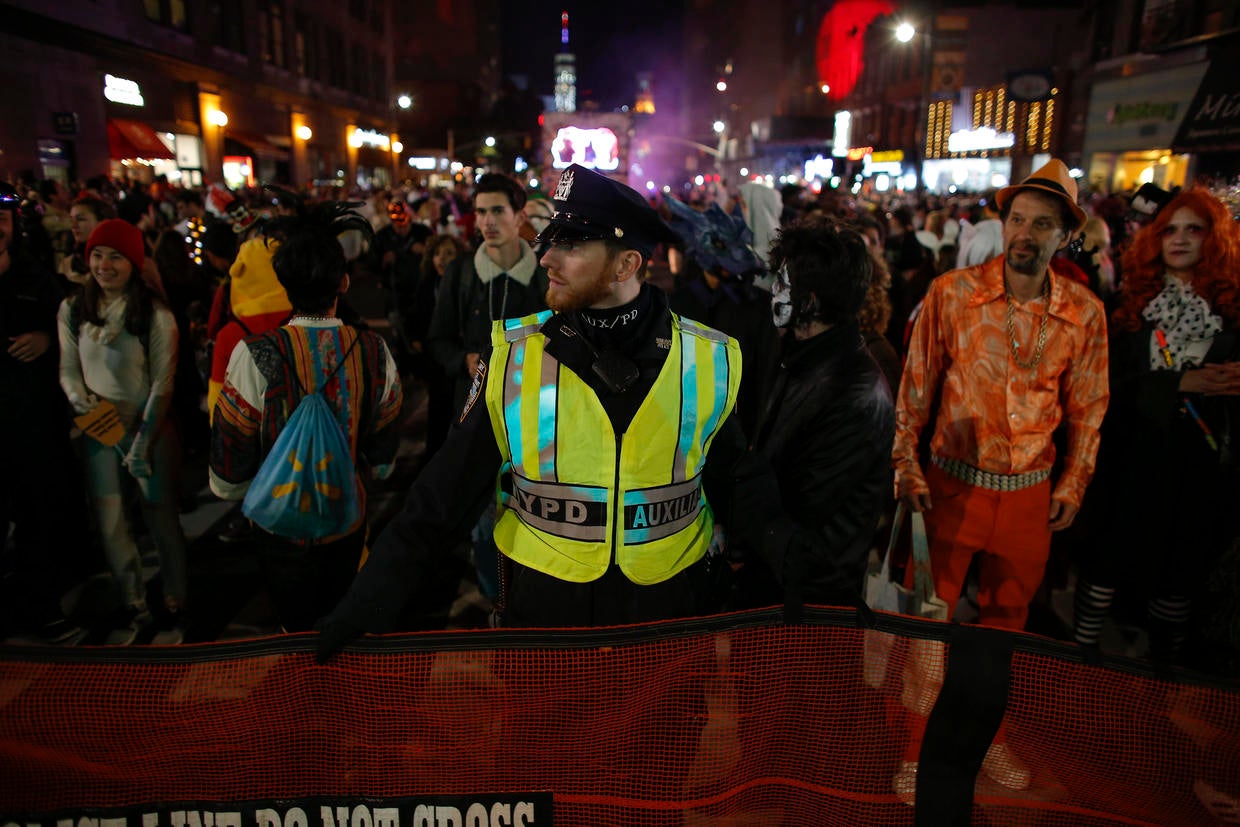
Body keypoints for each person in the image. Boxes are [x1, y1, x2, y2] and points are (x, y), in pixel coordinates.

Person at [317, 164, 748, 657]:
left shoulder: (707, 357)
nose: (547, 258)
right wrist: (361, 609)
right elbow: (439, 502)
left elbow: (741, 488)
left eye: (572, 245)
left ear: (626, 265)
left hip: (664, 645)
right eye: (551, 241)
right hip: (543, 640)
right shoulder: (514, 356)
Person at [891, 159, 1109, 794]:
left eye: (1042, 223)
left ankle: (990, 739)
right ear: (1002, 223)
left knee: (1005, 630)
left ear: (1065, 234)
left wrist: (1074, 483)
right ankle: (913, 747)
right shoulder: (951, 294)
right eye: (1017, 219)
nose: (1025, 233)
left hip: (1028, 500)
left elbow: (1090, 407)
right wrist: (906, 464)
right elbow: (916, 387)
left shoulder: (1084, 313)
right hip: (949, 487)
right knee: (924, 630)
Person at [209, 203, 403, 633]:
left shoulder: (254, 353)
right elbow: (385, 436)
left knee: (292, 622)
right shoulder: (374, 351)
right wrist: (376, 464)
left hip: (278, 522)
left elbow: (232, 441)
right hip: (348, 512)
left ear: (284, 283)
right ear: (344, 282)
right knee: (340, 612)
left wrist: (232, 486)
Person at [1074, 189, 1240, 664]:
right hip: (1131, 457)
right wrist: (1180, 382)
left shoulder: (1230, 310)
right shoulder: (1131, 304)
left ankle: (1164, 678)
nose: (1180, 239)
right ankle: (1078, 663)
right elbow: (1106, 383)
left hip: (1200, 464)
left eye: (1194, 229)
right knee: (1107, 563)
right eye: (1170, 229)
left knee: (1180, 573)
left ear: (1215, 238)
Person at [738, 216, 895, 609]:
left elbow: (801, 512)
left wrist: (738, 473)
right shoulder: (801, 356)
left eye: (781, 283)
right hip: (779, 592)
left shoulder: (854, 389)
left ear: (808, 302)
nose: (772, 292)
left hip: (812, 612)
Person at [58, 219, 189, 644]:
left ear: (134, 262)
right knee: (110, 520)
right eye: (97, 255)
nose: (104, 265)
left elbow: (162, 382)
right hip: (97, 426)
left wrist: (141, 442)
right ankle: (133, 599)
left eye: (116, 256)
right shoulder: (72, 308)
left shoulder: (155, 313)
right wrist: (79, 398)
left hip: (150, 425)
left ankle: (176, 595)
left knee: (159, 515)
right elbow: (68, 367)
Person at [0, 183, 92, 642]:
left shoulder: (32, 275)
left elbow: (69, 333)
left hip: (35, 425)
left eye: (3, 220)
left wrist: (45, 340)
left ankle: (41, 607)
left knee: (41, 516)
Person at [428, 173, 550, 410]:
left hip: (533, 406)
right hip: (472, 405)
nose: (488, 221)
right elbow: (439, 338)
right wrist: (464, 360)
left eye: (497, 211)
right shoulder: (461, 272)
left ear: (520, 217)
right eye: (481, 212)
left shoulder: (544, 275)